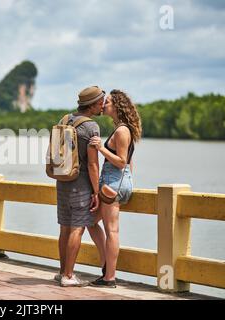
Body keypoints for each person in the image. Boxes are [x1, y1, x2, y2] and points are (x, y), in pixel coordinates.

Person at [87, 89, 142, 288]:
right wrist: (126, 182)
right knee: (91, 221)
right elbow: (130, 163)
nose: (103, 105)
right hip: (120, 182)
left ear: (117, 106)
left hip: (113, 182)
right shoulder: (123, 129)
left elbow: (121, 161)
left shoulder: (121, 131)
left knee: (112, 230)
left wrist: (100, 148)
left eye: (107, 102)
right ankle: (105, 266)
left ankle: (109, 277)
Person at [55, 85, 105, 287]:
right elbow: (93, 164)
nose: (102, 106)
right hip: (81, 183)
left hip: (62, 180)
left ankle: (61, 272)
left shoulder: (65, 119)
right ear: (92, 105)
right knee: (77, 228)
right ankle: (68, 276)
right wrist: (96, 191)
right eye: (101, 102)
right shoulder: (91, 127)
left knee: (65, 228)